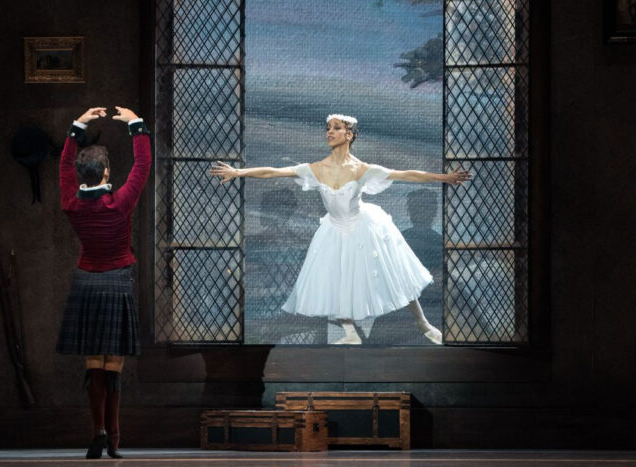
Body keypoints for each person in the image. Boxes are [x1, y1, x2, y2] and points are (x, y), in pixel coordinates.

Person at [210, 114, 470, 345]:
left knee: (391, 271)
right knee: (336, 279)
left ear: (349, 135)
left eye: (336, 128)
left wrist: (443, 178)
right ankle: (350, 331)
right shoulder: (316, 168)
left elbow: (406, 174)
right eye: (328, 128)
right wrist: (238, 172)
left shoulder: (362, 169)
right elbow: (274, 172)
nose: (329, 132)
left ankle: (422, 323)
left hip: (363, 227)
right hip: (334, 230)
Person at [55, 106, 152, 458]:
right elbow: (142, 166)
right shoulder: (119, 204)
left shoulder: (71, 203)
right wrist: (135, 125)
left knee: (94, 362)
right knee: (114, 365)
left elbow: (64, 166)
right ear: (107, 172)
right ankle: (113, 437)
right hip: (116, 282)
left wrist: (79, 124)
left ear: (82, 175)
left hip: (86, 283)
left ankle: (97, 432)